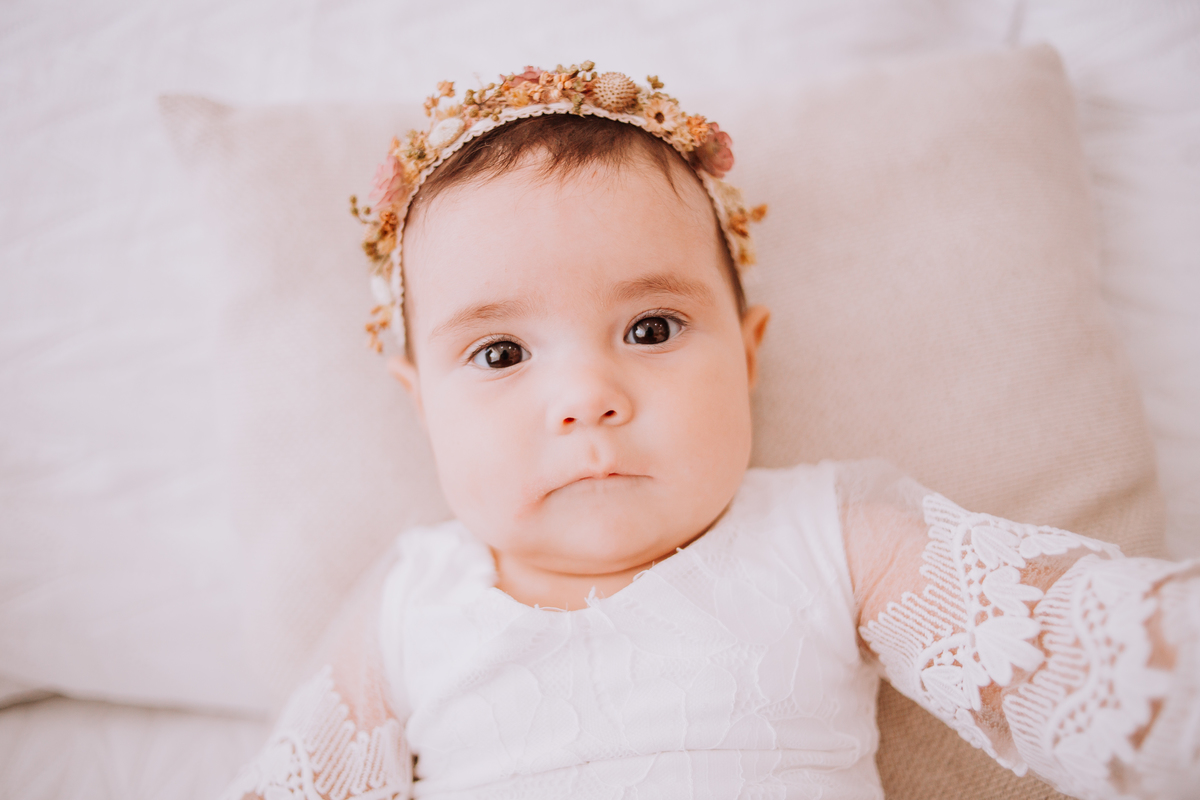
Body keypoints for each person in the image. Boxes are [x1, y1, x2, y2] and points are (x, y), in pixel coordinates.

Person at [222, 64, 1199, 800]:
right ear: (421, 402)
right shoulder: (409, 608)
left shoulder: (829, 537)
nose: (587, 397)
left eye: (651, 329)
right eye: (501, 352)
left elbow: (1083, 647)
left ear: (747, 353)